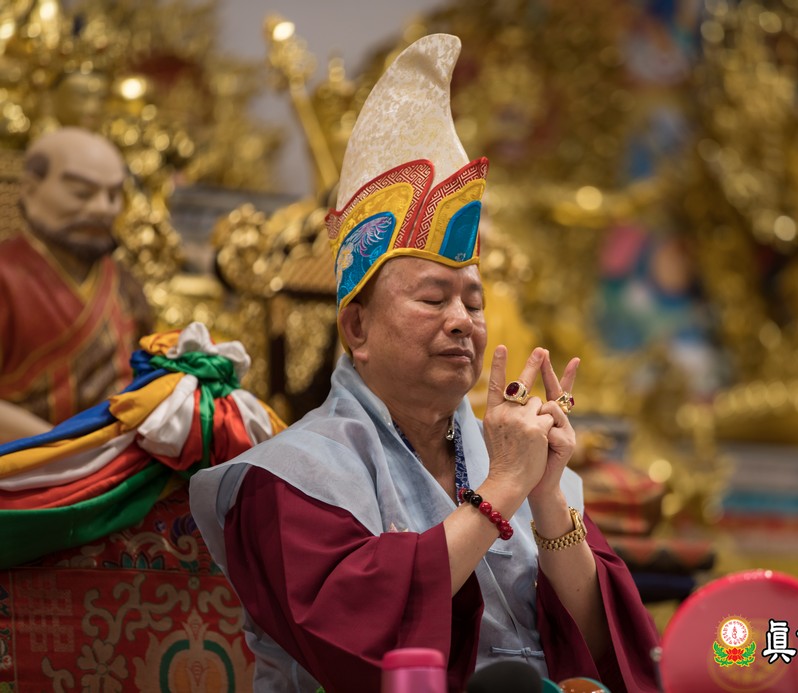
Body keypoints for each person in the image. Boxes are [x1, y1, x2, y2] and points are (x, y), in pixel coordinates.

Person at [190, 33, 660, 692]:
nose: (462, 319)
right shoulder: (288, 480)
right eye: (433, 298)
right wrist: (503, 489)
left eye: (474, 301)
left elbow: (606, 650)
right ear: (357, 326)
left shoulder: (515, 460)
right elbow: (363, 645)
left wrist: (547, 495)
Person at [0, 127, 152, 442]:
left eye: (114, 195)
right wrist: (64, 449)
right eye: (82, 193)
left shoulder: (124, 284)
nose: (103, 208)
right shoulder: (6, 277)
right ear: (30, 190)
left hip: (119, 456)